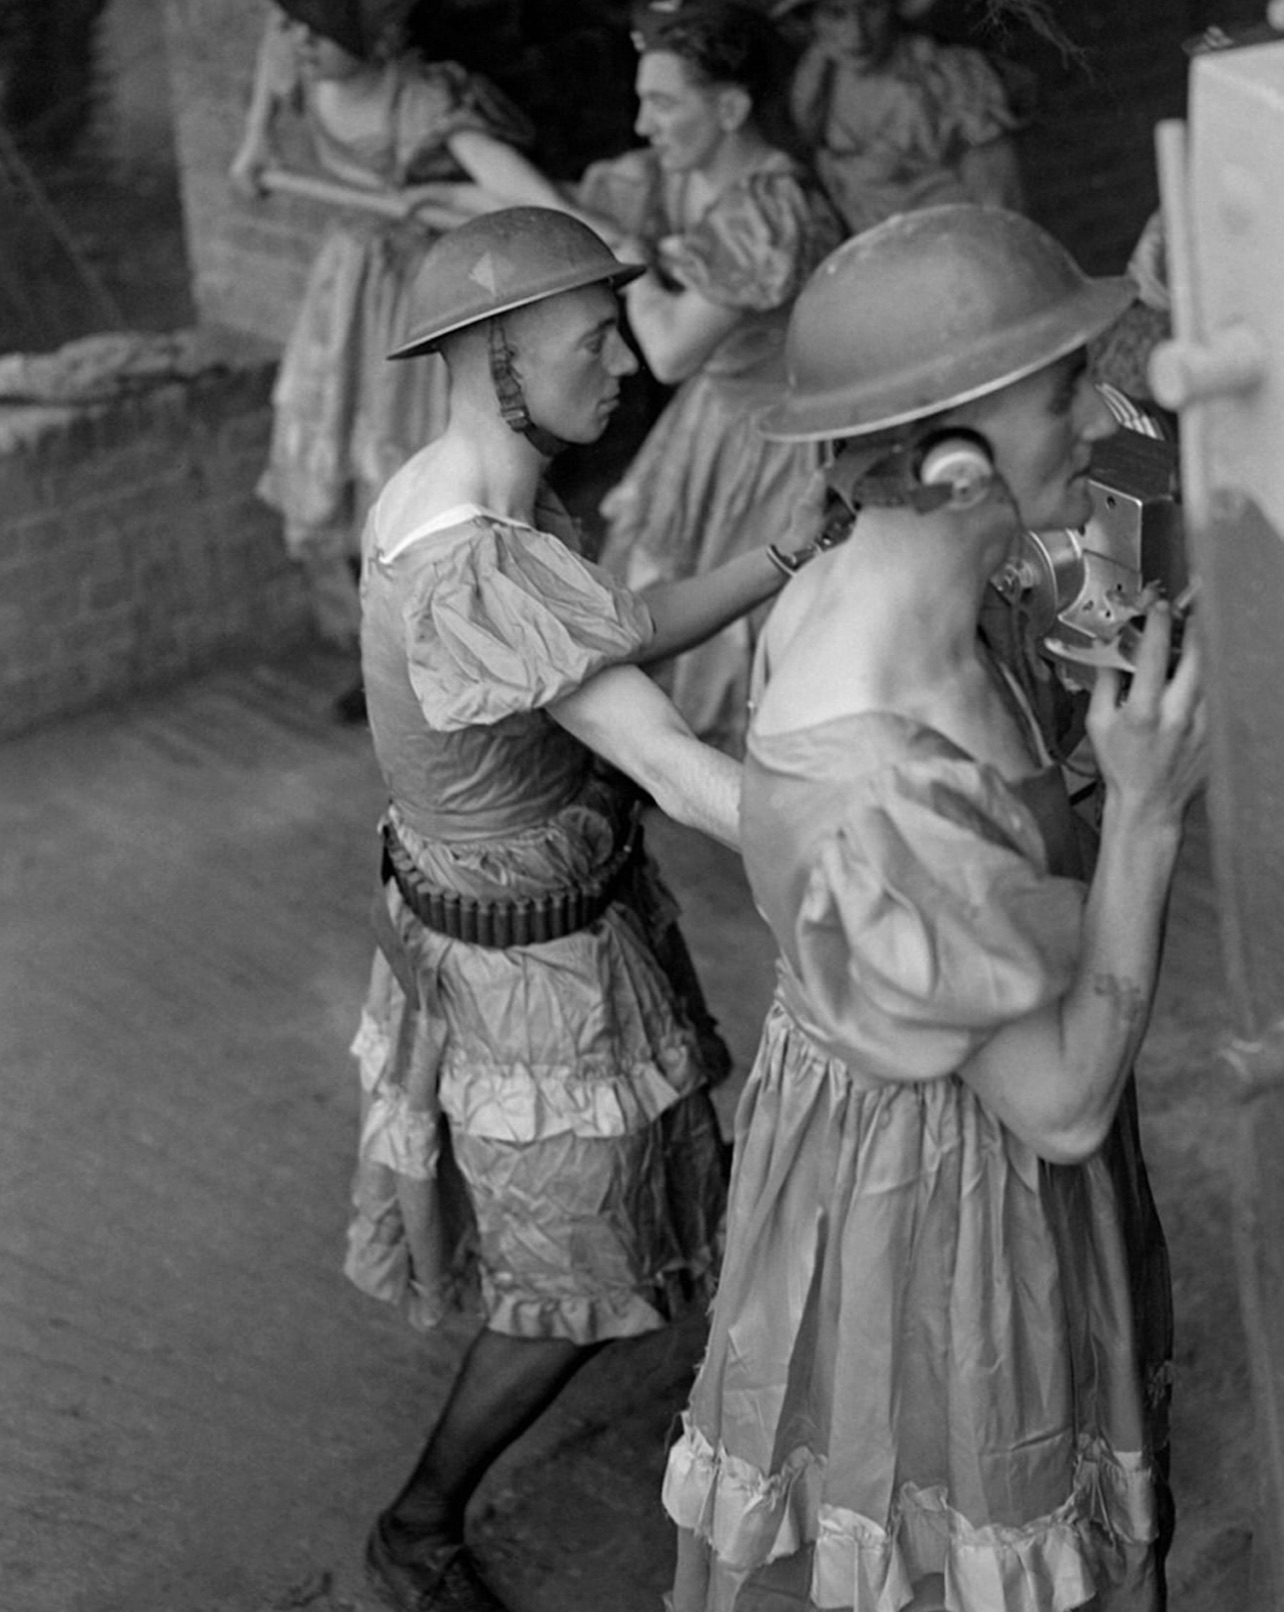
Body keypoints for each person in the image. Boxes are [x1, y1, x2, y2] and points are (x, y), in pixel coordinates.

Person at [662, 205, 1204, 1612]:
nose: (1094, 413)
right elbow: (1064, 1106)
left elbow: (1111, 540)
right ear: (954, 458)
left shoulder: (925, 576)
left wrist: (1151, 327)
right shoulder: (873, 792)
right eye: (1058, 394)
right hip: (941, 1201)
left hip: (929, 1126)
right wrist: (1143, 813)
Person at [344, 206, 839, 1612]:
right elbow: (679, 774)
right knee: (565, 1278)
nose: (625, 362)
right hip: (536, 978)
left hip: (528, 922)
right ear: (495, 351)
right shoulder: (474, 560)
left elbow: (606, 631)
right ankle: (414, 1527)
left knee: (619, 1220)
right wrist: (904, 843)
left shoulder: (458, 492)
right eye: (590, 338)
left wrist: (778, 561)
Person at [229, 0, 570, 700]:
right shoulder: (306, 63)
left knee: (410, 461)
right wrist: (254, 141)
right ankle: (384, 644)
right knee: (345, 457)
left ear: (367, 33)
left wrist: (568, 222)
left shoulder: (417, 100)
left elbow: (505, 179)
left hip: (414, 294)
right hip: (350, 287)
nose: (295, 42)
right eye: (292, 25)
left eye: (314, 29)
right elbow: (273, 47)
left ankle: (455, 639)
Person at [570, 0, 845, 756]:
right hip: (717, 418)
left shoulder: (770, 206)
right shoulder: (696, 179)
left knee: (753, 625)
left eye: (662, 102)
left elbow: (667, 352)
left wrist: (628, 261)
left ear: (729, 106)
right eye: (641, 100)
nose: (643, 124)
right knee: (670, 586)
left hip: (771, 436)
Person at [772, 0, 1034, 233]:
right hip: (885, 270)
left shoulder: (945, 78)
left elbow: (1001, 204)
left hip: (959, 252)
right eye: (835, 12)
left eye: (872, 7)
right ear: (811, 17)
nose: (857, 33)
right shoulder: (814, 86)